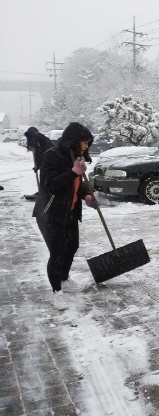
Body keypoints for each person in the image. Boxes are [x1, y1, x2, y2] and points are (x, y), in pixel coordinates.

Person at [33, 122, 96, 310]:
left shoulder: (74, 156)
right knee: (57, 251)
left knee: (72, 246)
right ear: (74, 141)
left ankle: (64, 277)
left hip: (69, 211)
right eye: (84, 142)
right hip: (50, 213)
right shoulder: (52, 156)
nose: (86, 146)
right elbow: (50, 184)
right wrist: (73, 172)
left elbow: (77, 182)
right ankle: (56, 291)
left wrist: (85, 194)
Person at [23, 127, 55, 200]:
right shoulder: (39, 141)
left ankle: (46, 193)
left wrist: (38, 165)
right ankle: (43, 192)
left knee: (47, 177)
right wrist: (37, 166)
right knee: (44, 177)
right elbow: (38, 156)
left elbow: (42, 155)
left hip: (51, 159)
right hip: (48, 159)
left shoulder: (38, 136)